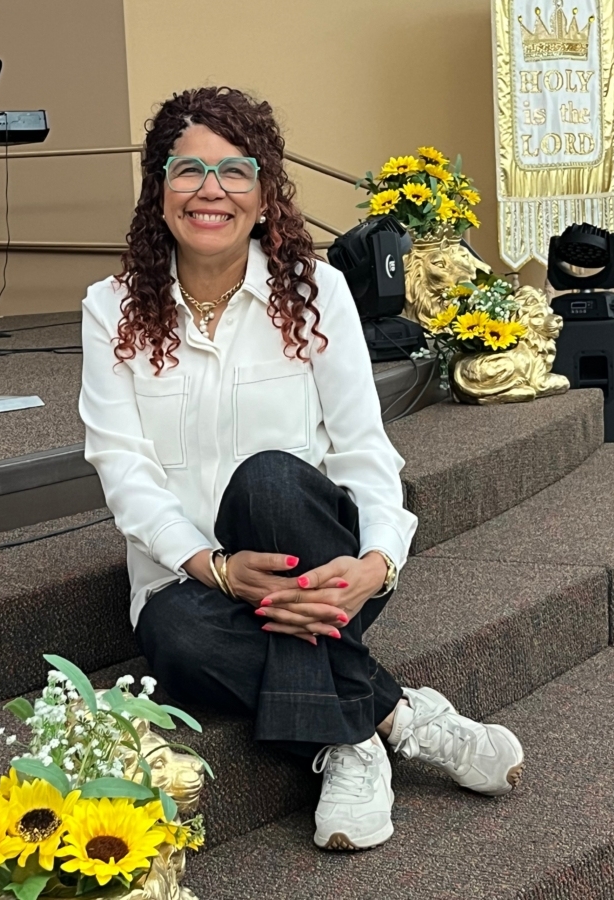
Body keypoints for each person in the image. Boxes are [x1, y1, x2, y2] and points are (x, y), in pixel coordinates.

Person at [78, 86, 524, 851]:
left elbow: (363, 450)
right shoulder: (111, 310)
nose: (211, 191)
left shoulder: (316, 292)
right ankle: (380, 726)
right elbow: (123, 468)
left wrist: (376, 563)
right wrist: (215, 569)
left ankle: (348, 734)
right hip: (194, 580)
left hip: (320, 564)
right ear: (158, 189)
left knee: (271, 480)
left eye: (234, 171)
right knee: (177, 637)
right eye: (188, 171)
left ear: (264, 194)